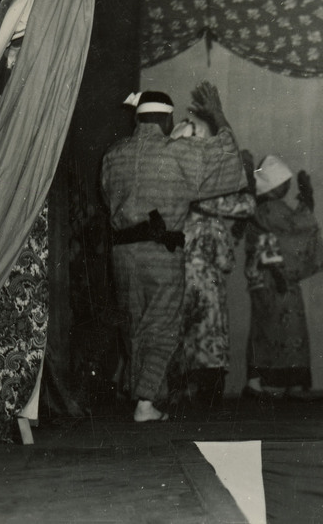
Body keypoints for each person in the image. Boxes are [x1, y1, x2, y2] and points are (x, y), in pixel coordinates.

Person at [101, 82, 244, 422]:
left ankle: (148, 394)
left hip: (123, 253)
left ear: (138, 120)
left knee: (134, 325)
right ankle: (146, 402)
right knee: (162, 325)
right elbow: (230, 163)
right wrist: (219, 114)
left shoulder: (113, 155)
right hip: (160, 251)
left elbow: (109, 200)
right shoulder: (179, 154)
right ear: (167, 123)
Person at [169, 118, 257, 409]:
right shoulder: (203, 187)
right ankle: (202, 398)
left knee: (183, 336)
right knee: (208, 336)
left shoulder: (171, 178)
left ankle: (183, 393)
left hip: (176, 272)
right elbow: (246, 205)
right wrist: (248, 176)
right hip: (202, 275)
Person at [243, 155, 323, 400]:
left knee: (266, 328)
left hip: (266, 278)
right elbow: (298, 226)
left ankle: (261, 381)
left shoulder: (262, 209)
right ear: (274, 185)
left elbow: (293, 228)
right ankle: (274, 383)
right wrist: (307, 198)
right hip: (275, 277)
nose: (287, 188)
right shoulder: (272, 209)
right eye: (285, 183)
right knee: (281, 329)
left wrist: (306, 200)